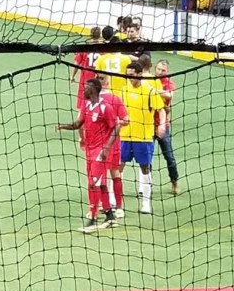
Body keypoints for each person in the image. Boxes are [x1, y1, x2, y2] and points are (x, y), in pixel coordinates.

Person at [56, 75, 128, 232]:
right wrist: (63, 126)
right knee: (100, 184)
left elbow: (115, 127)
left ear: (94, 90)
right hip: (90, 150)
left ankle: (93, 218)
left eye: (86, 88)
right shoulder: (87, 106)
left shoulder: (105, 107)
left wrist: (107, 148)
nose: (83, 90)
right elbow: (77, 124)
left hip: (100, 151)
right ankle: (110, 216)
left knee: (93, 184)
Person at [119, 61, 166, 215]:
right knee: (118, 167)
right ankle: (115, 201)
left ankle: (146, 203)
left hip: (144, 137)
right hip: (125, 135)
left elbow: (162, 110)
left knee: (145, 168)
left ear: (139, 74)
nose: (128, 77)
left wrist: (162, 125)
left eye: (131, 75)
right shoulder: (123, 90)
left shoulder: (150, 91)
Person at [153, 59, 181, 195]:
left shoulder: (168, 84)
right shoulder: (149, 80)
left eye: (163, 70)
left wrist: (154, 91)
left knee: (169, 156)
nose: (159, 72)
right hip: (147, 124)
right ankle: (146, 186)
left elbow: (169, 95)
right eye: (158, 69)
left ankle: (175, 182)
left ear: (167, 71)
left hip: (163, 125)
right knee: (146, 158)